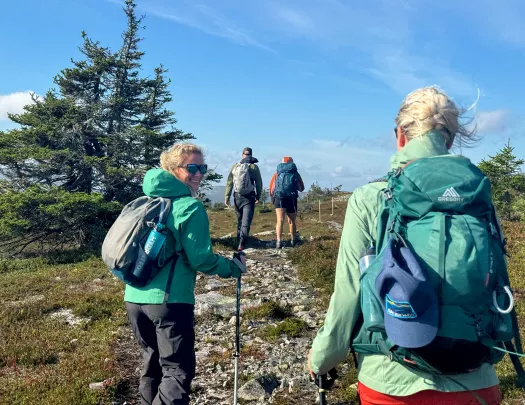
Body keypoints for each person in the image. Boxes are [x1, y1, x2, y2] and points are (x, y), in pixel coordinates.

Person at [308, 86, 503, 405]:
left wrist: (323, 358)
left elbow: (348, 292)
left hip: (391, 383)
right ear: (450, 141)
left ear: (400, 136)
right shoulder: (477, 200)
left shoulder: (371, 198)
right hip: (477, 381)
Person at [124, 143, 246, 405]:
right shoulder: (190, 207)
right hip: (170, 300)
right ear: (173, 169)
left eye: (202, 167)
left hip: (134, 297)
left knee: (152, 364)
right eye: (191, 167)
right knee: (177, 371)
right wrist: (232, 268)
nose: (199, 173)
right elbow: (201, 259)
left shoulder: (146, 201)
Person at [225, 147, 263, 250]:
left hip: (237, 196)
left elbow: (229, 182)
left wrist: (227, 196)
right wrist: (258, 195)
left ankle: (238, 241)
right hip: (249, 197)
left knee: (240, 220)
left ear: (242, 155)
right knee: (246, 221)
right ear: (251, 155)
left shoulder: (235, 166)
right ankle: (242, 243)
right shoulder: (254, 167)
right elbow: (259, 183)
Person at [269, 156, 305, 248]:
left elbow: (272, 190)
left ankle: (278, 242)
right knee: (292, 221)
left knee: (280, 220)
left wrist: (273, 199)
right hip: (291, 198)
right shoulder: (295, 173)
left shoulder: (277, 173)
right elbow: (301, 188)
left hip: (279, 198)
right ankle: (293, 241)